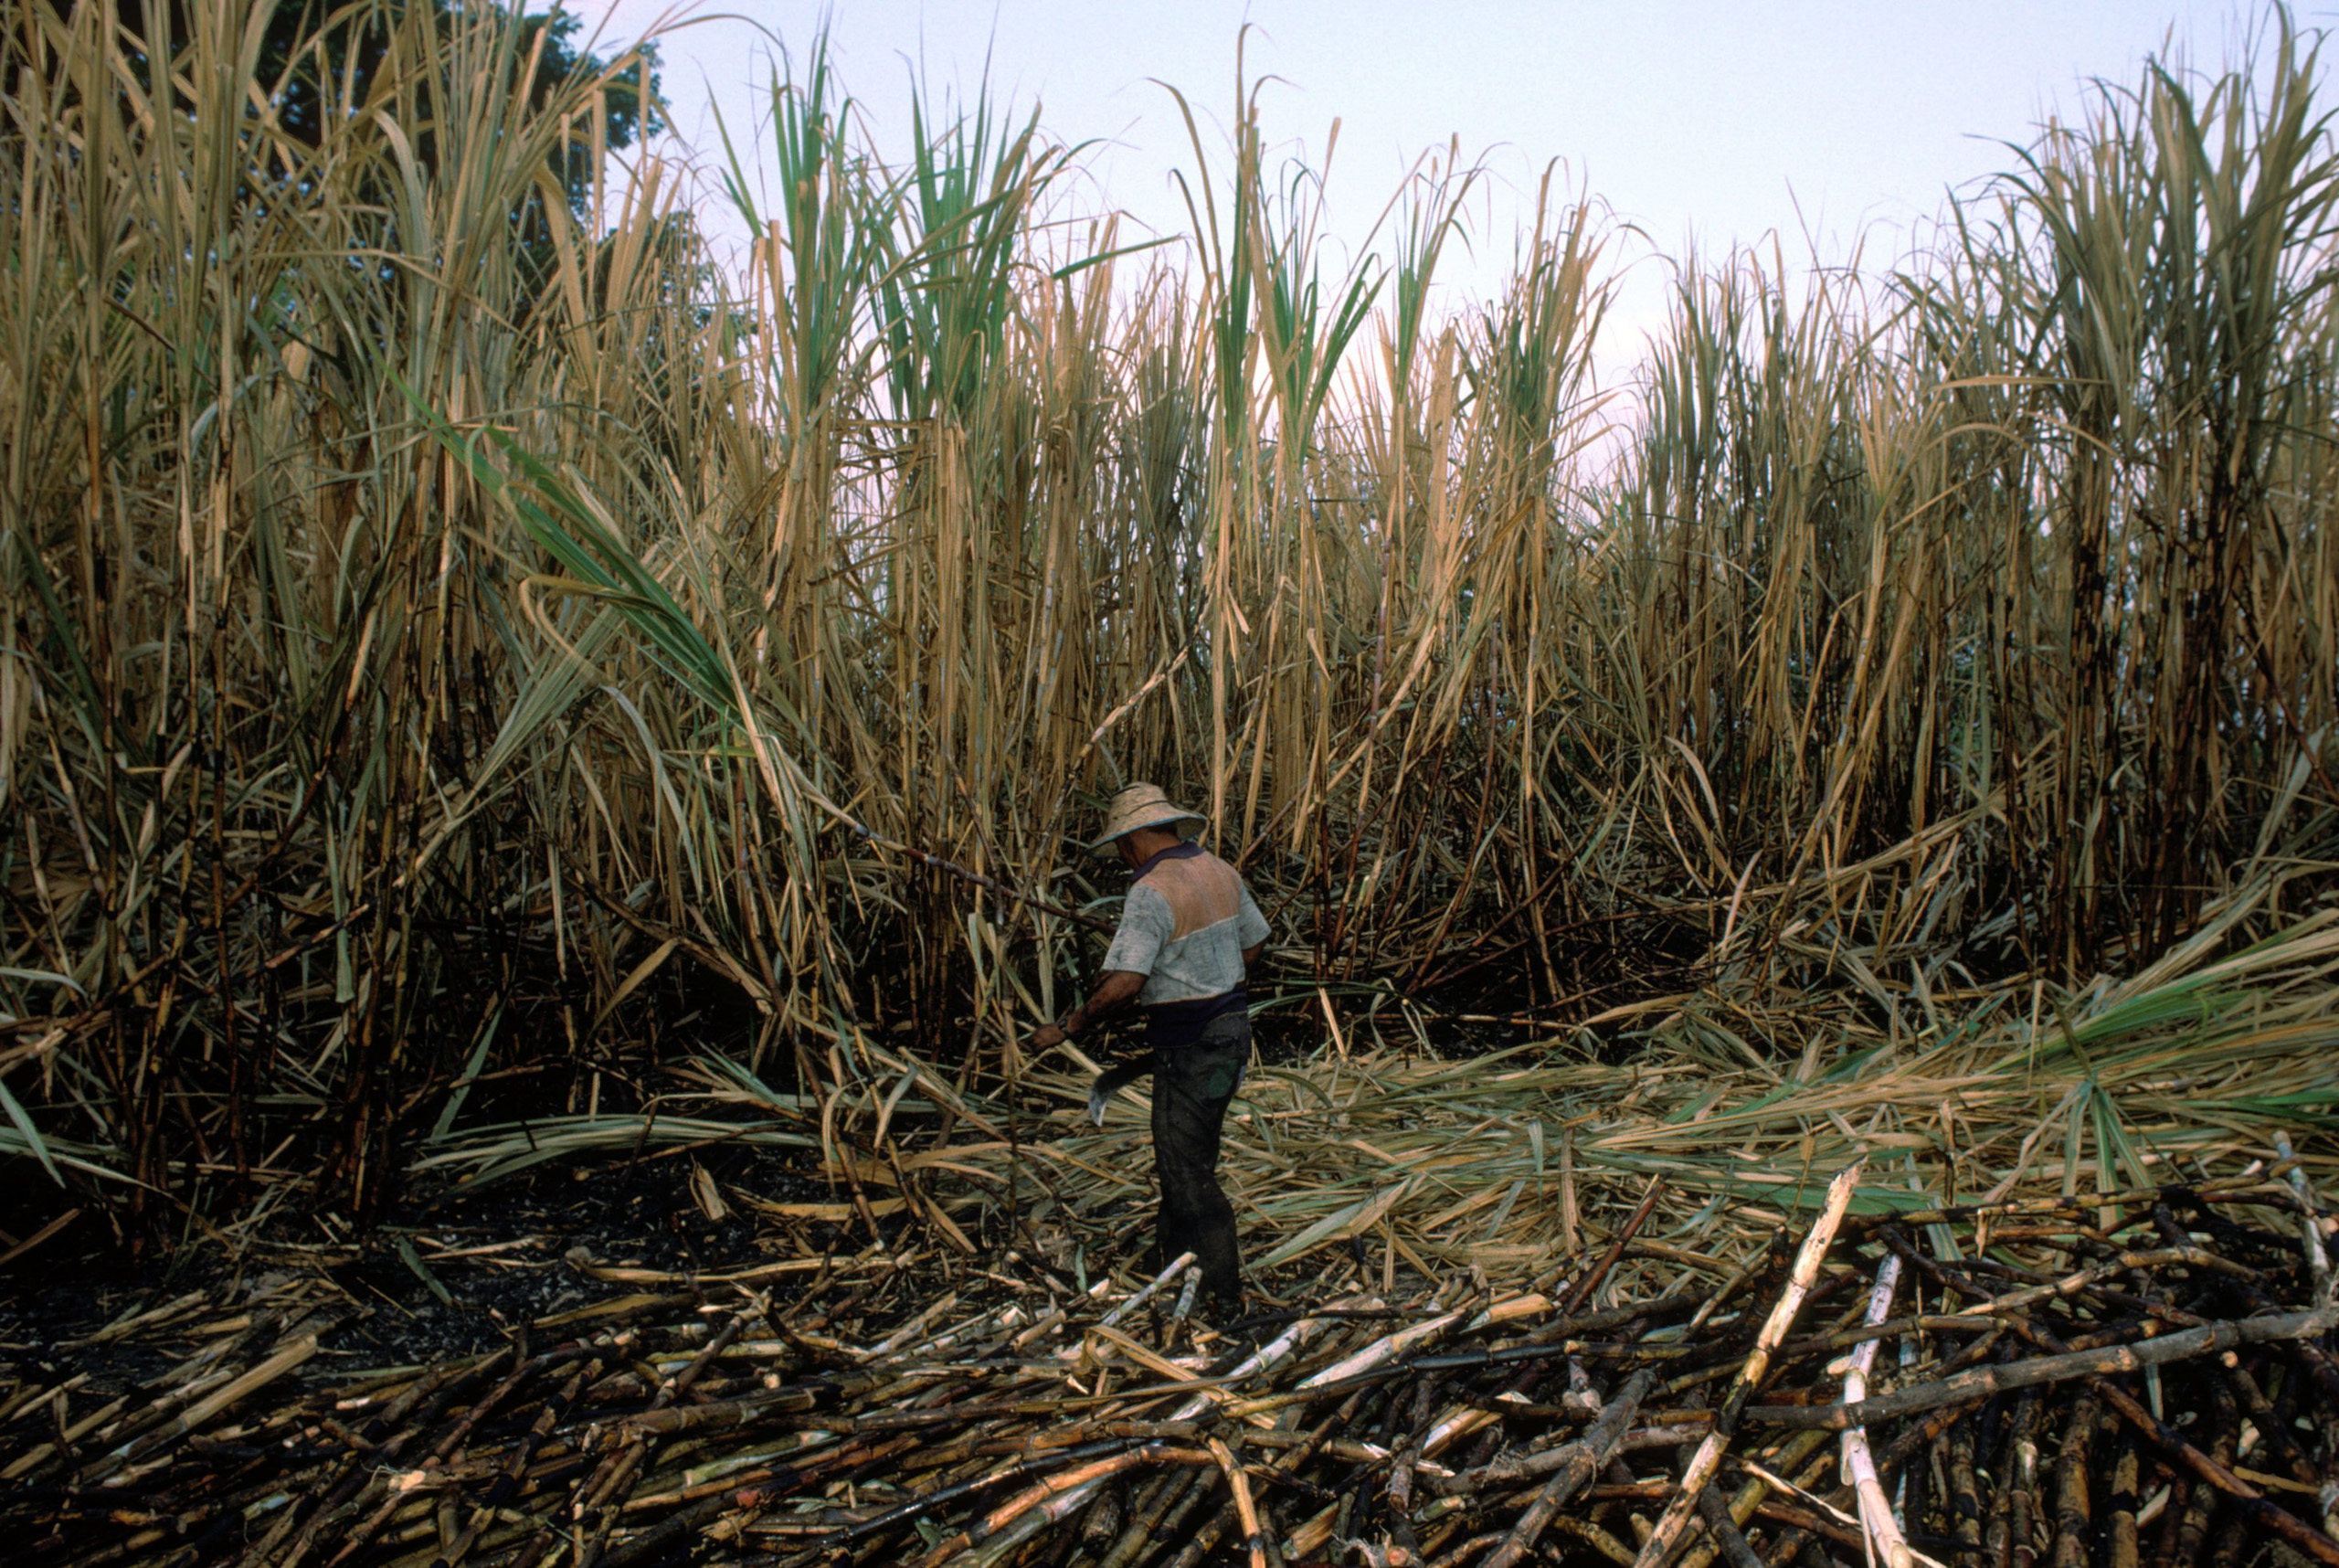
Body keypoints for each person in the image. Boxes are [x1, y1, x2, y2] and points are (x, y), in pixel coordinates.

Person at [1028, 782, 1269, 1308]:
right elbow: (1253, 945)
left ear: (1135, 837)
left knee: (1186, 1170)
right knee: (1185, 1156)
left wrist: (1067, 1028)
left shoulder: (1151, 891)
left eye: (1120, 844)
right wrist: (1204, 972)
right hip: (1232, 1038)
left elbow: (1124, 984)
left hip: (1191, 1048)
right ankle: (1173, 1268)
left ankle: (1222, 1297)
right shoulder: (1217, 870)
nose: (1120, 854)